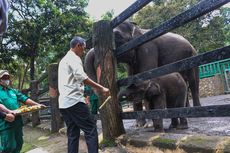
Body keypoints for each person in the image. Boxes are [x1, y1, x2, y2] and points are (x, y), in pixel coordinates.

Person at [58, 36, 110, 153]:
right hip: (74, 101)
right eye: (83, 48)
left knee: (72, 133)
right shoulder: (74, 58)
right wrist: (101, 88)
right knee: (91, 129)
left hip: (64, 103)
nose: (84, 51)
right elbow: (82, 78)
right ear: (78, 46)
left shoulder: (63, 60)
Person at [0, 70, 45, 153]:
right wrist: (8, 111)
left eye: (7, 77)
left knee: (19, 144)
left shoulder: (12, 91)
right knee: (8, 146)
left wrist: (37, 105)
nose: (6, 79)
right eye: (4, 77)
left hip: (17, 122)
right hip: (6, 123)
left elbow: (24, 99)